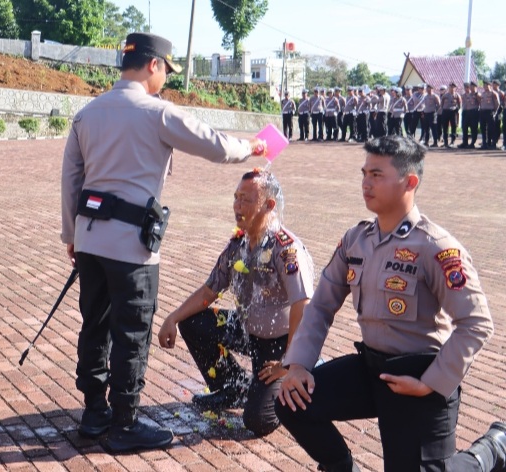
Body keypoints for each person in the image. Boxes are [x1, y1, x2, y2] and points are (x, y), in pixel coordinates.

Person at [60, 32, 267, 454]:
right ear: (154, 65)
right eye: (166, 72)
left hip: (91, 241)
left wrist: (72, 236)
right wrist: (252, 147)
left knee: (94, 327)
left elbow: (71, 182)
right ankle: (124, 422)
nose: (166, 81)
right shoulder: (157, 112)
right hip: (133, 248)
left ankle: (94, 412)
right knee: (132, 332)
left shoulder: (87, 113)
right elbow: (215, 145)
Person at [274, 135, 505, 472]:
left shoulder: (435, 246)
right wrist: (298, 365)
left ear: (409, 182)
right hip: (372, 369)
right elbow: (321, 305)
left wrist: (432, 382)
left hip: (419, 378)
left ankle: (491, 450)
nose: (366, 183)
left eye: (377, 175)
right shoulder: (357, 240)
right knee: (293, 401)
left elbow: (476, 322)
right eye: (364, 173)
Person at [157, 169, 313, 437]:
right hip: (245, 331)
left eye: (246, 200)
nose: (237, 207)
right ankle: (233, 387)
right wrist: (172, 317)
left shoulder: (285, 249)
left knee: (258, 421)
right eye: (236, 198)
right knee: (193, 323)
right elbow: (210, 290)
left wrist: (288, 362)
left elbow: (303, 305)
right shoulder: (238, 244)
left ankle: (303, 376)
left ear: (269, 205)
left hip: (279, 344)